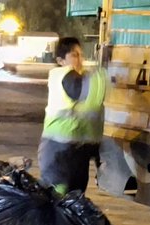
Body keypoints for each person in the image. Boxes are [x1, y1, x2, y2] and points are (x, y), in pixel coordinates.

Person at [38, 36, 106, 195]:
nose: (80, 60)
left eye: (81, 55)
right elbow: (84, 89)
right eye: (74, 55)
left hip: (75, 152)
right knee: (57, 200)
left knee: (74, 200)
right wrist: (106, 75)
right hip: (58, 152)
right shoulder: (65, 76)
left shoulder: (76, 76)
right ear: (61, 60)